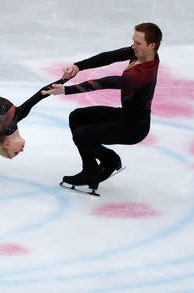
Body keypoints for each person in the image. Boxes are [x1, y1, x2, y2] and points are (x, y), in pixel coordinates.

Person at [42, 22, 162, 193]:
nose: (133, 46)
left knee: (83, 134)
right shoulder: (141, 54)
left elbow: (105, 82)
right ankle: (107, 161)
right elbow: (109, 56)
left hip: (134, 127)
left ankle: (91, 173)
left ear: (152, 45)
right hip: (125, 115)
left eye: (138, 43)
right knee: (77, 117)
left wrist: (66, 90)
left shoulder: (144, 74)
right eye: (133, 41)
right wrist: (78, 66)